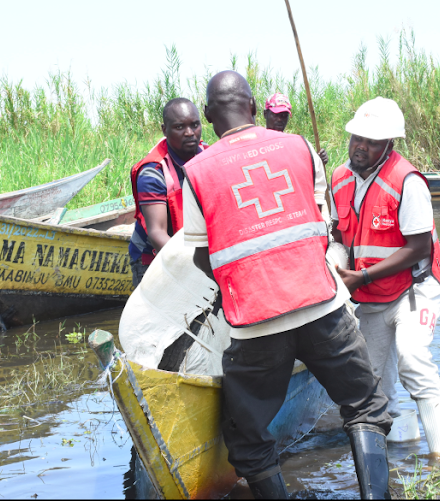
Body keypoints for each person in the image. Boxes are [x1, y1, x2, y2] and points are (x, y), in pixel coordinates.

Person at [183, 71, 392, 500]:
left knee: (246, 437)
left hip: (256, 321)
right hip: (321, 305)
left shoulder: (196, 172)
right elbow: (321, 223)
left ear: (206, 116)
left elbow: (202, 255)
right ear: (255, 106)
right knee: (364, 404)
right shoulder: (299, 148)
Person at [330, 97, 440, 460]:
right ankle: (397, 454)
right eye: (357, 138)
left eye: (371, 141)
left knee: (413, 358)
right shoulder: (340, 179)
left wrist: (362, 275)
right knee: (370, 380)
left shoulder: (407, 181)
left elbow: (419, 248)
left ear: (390, 144)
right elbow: (342, 234)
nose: (360, 146)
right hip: (369, 293)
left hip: (415, 289)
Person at [128, 98, 207, 287]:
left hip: (193, 247)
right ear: (165, 130)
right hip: (154, 257)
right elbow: (157, 233)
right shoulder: (153, 172)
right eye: (180, 127)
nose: (189, 133)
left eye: (194, 125)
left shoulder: (208, 156)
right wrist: (197, 268)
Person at [264, 92, 329, 165]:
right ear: (265, 114)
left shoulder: (293, 144)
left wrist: (318, 161)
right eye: (276, 115)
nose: (280, 119)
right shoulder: (257, 143)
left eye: (284, 115)